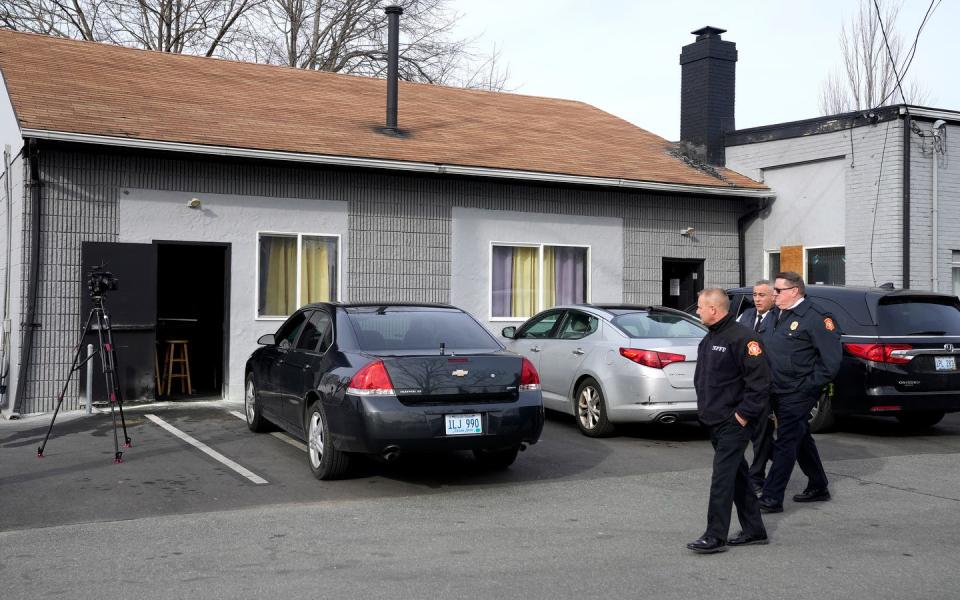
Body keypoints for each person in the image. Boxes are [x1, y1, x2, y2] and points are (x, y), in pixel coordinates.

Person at [687, 288, 771, 554]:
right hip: (713, 420)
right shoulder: (710, 337)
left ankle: (715, 535)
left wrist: (742, 416)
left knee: (722, 478)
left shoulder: (743, 338)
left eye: (700, 307)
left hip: (733, 422)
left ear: (714, 309)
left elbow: (760, 385)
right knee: (738, 476)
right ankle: (754, 529)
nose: (697, 311)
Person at [758, 272, 842, 514]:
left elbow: (831, 361)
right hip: (774, 388)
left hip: (798, 392)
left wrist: (808, 386)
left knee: (786, 441)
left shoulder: (816, 317)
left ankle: (772, 497)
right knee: (800, 436)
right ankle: (818, 484)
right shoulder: (774, 314)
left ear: (794, 291)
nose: (774, 294)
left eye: (779, 290)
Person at [736, 280, 778, 495]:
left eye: (762, 295)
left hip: (765, 383)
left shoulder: (779, 317)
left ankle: (757, 477)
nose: (758, 299)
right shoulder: (746, 316)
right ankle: (779, 458)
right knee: (749, 432)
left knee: (761, 433)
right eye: (755, 294)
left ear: (773, 297)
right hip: (745, 383)